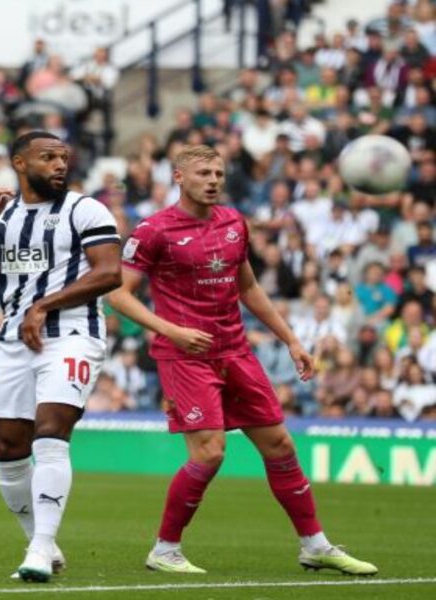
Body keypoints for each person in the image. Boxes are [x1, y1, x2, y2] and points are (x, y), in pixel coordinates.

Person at [107, 144, 377, 576]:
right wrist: (172, 330)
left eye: (218, 172)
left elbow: (248, 288)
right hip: (184, 355)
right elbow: (118, 293)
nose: (213, 180)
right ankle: (165, 549)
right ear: (179, 178)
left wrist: (290, 340)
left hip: (235, 350)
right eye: (203, 173)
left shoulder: (234, 221)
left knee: (280, 445)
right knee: (211, 453)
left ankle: (314, 545)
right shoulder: (154, 230)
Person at [0, 131, 123, 582]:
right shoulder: (1, 215)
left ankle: (40, 547)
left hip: (71, 334)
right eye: (47, 157)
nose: (59, 165)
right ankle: (40, 540)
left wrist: (44, 306)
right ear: (19, 163)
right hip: (13, 340)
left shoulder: (84, 208)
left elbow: (110, 273)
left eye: (63, 157)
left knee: (50, 431)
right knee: (8, 447)